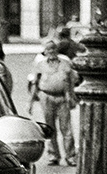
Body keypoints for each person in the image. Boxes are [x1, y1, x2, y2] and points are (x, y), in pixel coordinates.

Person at [29, 38, 79, 166]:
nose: (51, 51)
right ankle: (53, 155)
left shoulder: (65, 63)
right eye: (48, 49)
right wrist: (30, 102)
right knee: (49, 128)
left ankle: (71, 156)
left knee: (66, 128)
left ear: (57, 50)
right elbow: (35, 83)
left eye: (53, 48)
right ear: (44, 51)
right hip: (46, 97)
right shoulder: (40, 65)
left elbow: (71, 81)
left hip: (62, 98)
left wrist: (72, 97)